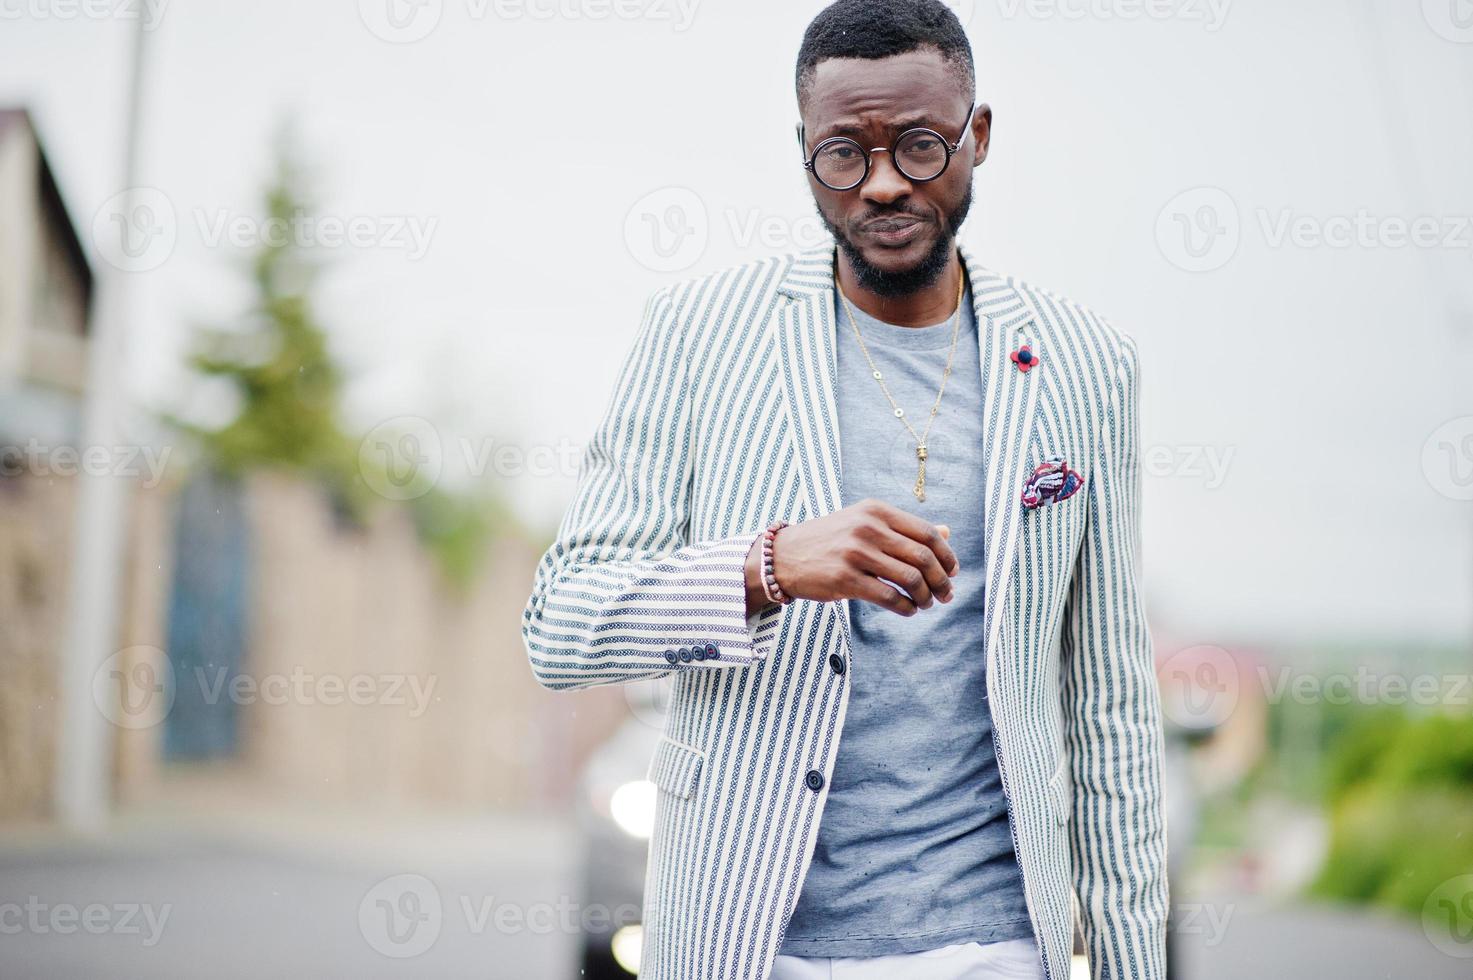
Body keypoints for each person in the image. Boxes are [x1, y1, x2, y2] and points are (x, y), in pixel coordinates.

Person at [521, 2, 1167, 977]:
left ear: (977, 135)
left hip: (996, 943)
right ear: (803, 150)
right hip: (753, 941)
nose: (881, 185)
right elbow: (560, 624)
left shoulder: (1086, 366)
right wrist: (766, 565)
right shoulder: (699, 336)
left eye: (918, 146)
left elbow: (1110, 709)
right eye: (842, 154)